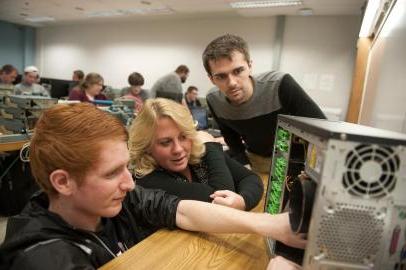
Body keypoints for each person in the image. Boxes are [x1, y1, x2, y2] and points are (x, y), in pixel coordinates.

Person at [0, 103, 305, 269]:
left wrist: (274, 225)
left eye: (125, 167)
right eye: (112, 173)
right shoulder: (44, 258)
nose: (130, 182)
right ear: (63, 182)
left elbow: (183, 212)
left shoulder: (110, 202)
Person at [203, 34, 326, 173]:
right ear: (211, 79)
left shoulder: (280, 85)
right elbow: (231, 137)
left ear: (250, 66)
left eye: (238, 71)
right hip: (256, 161)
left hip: (293, 162)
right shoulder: (214, 100)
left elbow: (321, 128)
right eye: (221, 76)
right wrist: (244, 166)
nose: (232, 83)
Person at [129, 98, 263, 211]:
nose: (178, 149)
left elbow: (250, 178)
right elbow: (221, 205)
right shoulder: (148, 180)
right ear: (146, 147)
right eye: (165, 142)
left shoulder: (196, 151)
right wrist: (211, 146)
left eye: (183, 137)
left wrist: (242, 201)